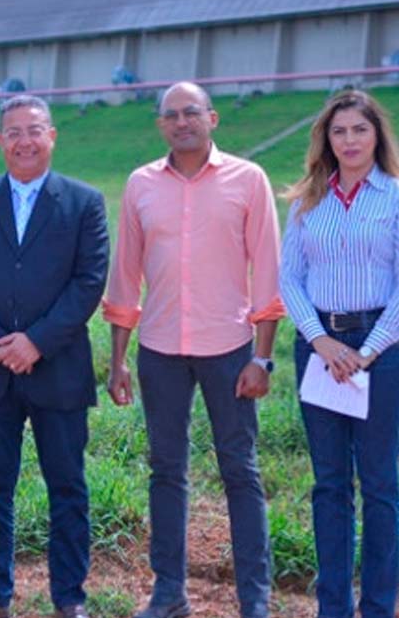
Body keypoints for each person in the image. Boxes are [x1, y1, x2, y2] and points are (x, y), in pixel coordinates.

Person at [104, 82, 282, 618]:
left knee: (240, 469)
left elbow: (268, 272)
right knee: (166, 469)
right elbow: (125, 275)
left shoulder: (248, 180)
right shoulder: (140, 185)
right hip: (159, 349)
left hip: (229, 349)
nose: (182, 122)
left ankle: (255, 597)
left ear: (213, 118)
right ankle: (169, 592)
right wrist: (117, 358)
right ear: (160, 125)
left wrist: (262, 357)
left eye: (192, 113)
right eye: (171, 115)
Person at [0, 95, 108, 618]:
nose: (24, 140)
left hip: (57, 368)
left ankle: (69, 596)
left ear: (52, 136)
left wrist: (36, 341)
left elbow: (88, 282)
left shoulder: (84, 203)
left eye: (34, 130)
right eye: (13, 131)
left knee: (67, 487)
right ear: (0, 141)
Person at [280, 89, 399, 618]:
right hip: (319, 349)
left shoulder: (394, 197)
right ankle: (333, 606)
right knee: (329, 484)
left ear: (377, 136)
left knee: (379, 484)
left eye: (359, 130)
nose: (349, 141)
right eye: (338, 131)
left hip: (383, 349)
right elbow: (289, 279)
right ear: (326, 139)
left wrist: (368, 351)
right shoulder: (308, 198)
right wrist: (321, 341)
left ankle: (376, 606)